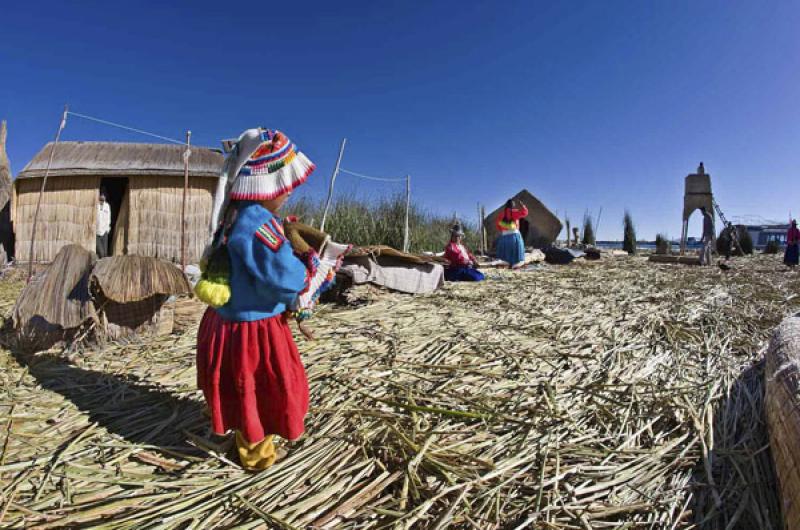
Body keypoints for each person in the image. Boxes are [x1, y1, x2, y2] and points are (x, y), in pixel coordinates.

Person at [195, 128, 318, 471]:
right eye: (285, 186)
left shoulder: (230, 217)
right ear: (265, 187)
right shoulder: (258, 223)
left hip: (222, 323)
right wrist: (306, 273)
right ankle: (257, 457)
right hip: (253, 330)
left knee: (237, 387)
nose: (289, 193)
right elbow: (282, 274)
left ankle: (236, 432)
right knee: (258, 391)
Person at [495, 199, 528, 269]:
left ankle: (505, 265)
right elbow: (525, 213)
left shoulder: (501, 214)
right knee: (516, 256)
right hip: (514, 237)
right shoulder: (514, 212)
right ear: (513, 206)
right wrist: (523, 205)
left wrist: (504, 230)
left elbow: (498, 225)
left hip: (504, 238)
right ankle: (515, 265)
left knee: (505, 256)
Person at [96, 191, 111, 258]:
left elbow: (108, 218)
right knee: (101, 252)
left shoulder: (107, 206)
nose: (102, 197)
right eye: (101, 195)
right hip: (97, 232)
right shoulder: (96, 206)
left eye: (103, 196)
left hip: (105, 231)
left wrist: (107, 229)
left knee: (105, 253)